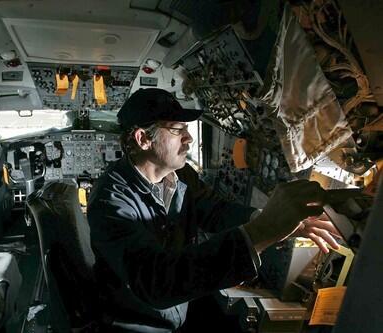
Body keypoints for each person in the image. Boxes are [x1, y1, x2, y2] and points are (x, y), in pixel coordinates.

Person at [87, 88, 340, 332]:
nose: (189, 138)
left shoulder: (181, 174)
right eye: (177, 130)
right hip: (138, 325)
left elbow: (214, 210)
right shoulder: (110, 201)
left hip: (176, 314)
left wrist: (268, 219)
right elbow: (157, 281)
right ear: (143, 139)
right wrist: (261, 232)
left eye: (186, 129)